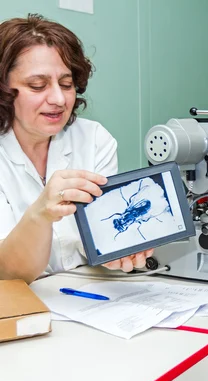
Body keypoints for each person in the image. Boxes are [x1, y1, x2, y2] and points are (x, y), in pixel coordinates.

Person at [0, 14, 152, 284]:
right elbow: (9, 273)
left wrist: (117, 251)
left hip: (85, 294)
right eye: (38, 85)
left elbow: (97, 237)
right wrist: (41, 214)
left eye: (67, 84)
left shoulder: (93, 139)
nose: (59, 99)